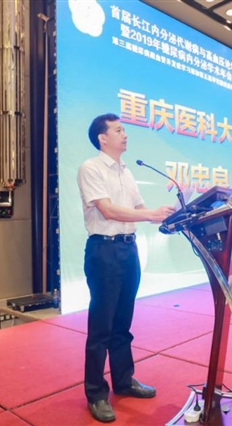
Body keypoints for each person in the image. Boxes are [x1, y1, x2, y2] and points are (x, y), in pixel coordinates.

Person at [77, 113, 175, 423]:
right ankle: (96, 393)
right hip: (104, 251)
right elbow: (107, 210)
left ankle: (123, 380)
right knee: (101, 327)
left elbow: (138, 209)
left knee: (122, 323)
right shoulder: (90, 168)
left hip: (128, 250)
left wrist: (165, 216)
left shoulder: (126, 171)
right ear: (102, 138)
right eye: (119, 130)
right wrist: (150, 215)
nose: (125, 134)